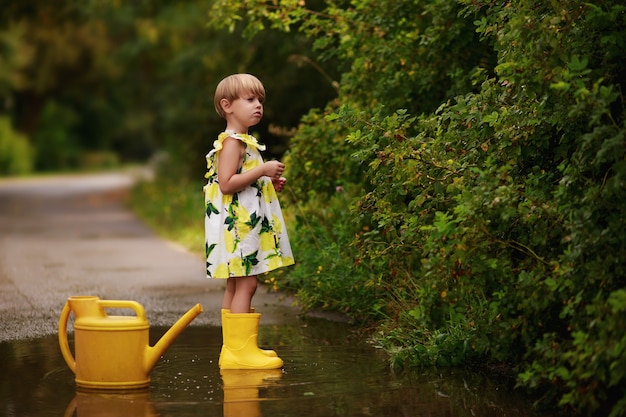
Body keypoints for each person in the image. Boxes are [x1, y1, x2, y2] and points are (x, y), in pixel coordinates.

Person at [204, 73, 294, 369]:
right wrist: (263, 169)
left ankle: (233, 350)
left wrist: (265, 180)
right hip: (239, 226)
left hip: (242, 224)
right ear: (227, 105)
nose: (258, 106)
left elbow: (240, 182)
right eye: (250, 99)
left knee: (236, 284)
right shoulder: (232, 143)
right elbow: (227, 183)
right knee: (248, 284)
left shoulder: (241, 141)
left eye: (260, 101)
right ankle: (240, 352)